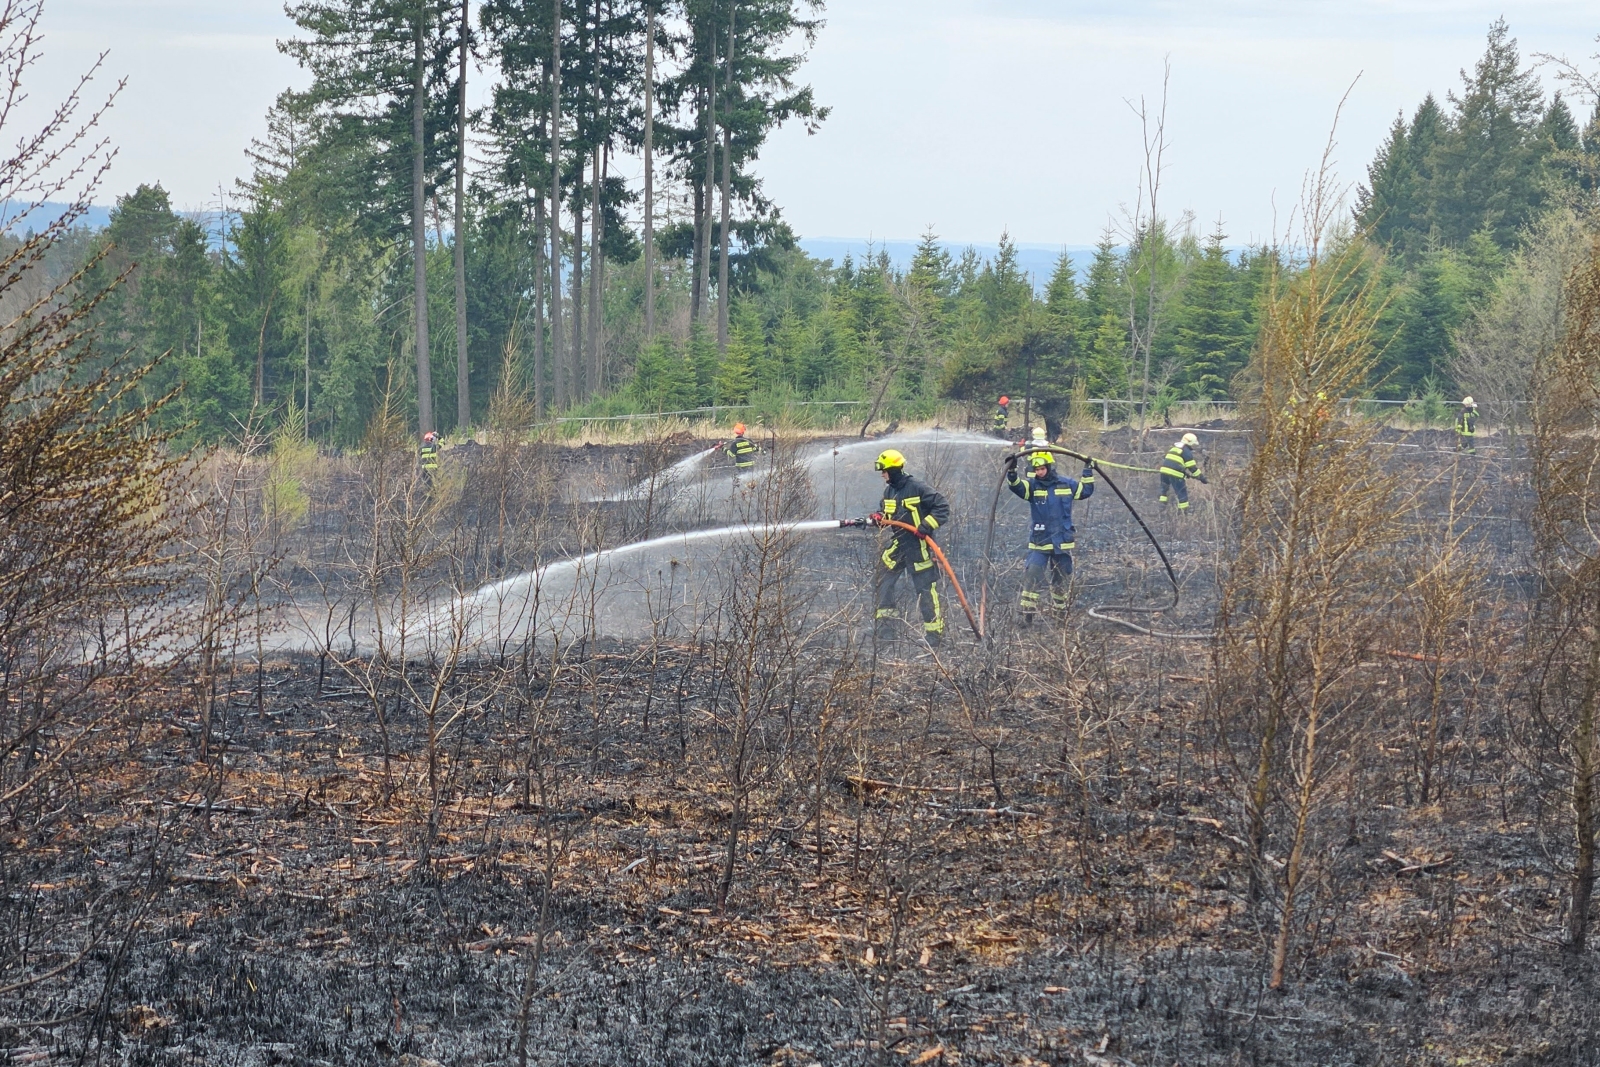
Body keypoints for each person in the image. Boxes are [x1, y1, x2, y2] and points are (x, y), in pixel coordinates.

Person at [870, 449, 950, 648]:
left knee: (925, 590)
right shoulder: (890, 491)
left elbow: (942, 507)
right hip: (899, 545)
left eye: (884, 471)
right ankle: (886, 631)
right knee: (883, 580)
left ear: (893, 469)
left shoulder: (917, 487)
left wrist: (926, 525)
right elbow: (885, 512)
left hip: (919, 548)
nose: (882, 475)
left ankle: (934, 636)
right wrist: (879, 517)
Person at [1007, 449, 1094, 624]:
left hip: (1062, 542)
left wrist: (1088, 470)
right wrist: (1011, 471)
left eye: (1041, 468)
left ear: (1049, 466)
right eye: (1036, 469)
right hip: (1040, 542)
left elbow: (1085, 491)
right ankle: (1027, 615)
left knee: (1061, 580)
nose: (1039, 472)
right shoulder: (1032, 486)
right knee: (1032, 575)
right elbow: (1016, 486)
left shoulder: (1066, 484)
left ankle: (1060, 615)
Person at [1158, 432, 1207, 510]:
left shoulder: (1174, 448)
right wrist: (1201, 477)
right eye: (1193, 444)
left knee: (1164, 490)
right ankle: (1184, 511)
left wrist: (1184, 472)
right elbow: (1192, 468)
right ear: (1190, 443)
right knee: (1181, 492)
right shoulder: (1186, 452)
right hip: (1175, 474)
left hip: (1164, 472)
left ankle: (1162, 507)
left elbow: (1172, 462)